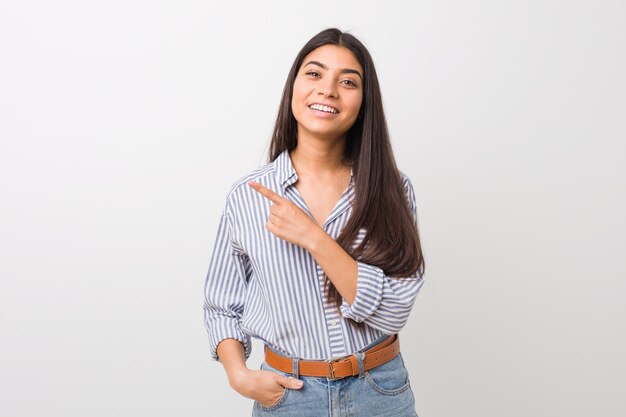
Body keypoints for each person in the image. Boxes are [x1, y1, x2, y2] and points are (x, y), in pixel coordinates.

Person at [203, 27, 426, 417]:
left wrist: (314, 238)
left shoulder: (392, 190)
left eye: (348, 81)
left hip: (379, 392)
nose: (328, 90)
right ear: (294, 86)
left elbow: (395, 310)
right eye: (314, 74)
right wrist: (238, 374)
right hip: (288, 395)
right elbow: (222, 305)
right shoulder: (247, 196)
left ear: (364, 101)